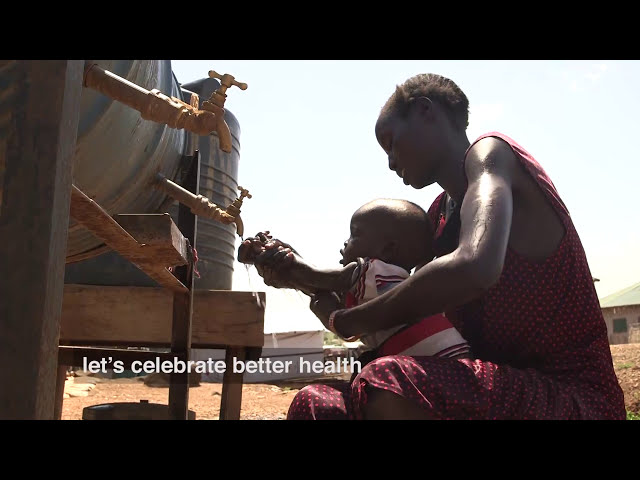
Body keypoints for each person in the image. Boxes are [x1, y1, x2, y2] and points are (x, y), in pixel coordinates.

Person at [248, 73, 626, 420]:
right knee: (315, 402)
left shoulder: (493, 157)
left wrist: (353, 321)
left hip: (572, 398)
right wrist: (295, 273)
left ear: (425, 111)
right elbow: (387, 292)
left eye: (392, 143)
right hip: (486, 391)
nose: (391, 162)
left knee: (386, 380)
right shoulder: (436, 219)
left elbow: (474, 266)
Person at [238, 199, 471, 370]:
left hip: (440, 367)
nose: (346, 241)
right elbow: (321, 289)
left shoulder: (372, 269)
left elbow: (315, 277)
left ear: (386, 250)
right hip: (451, 367)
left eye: (355, 235)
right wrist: (288, 267)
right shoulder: (387, 285)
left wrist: (279, 256)